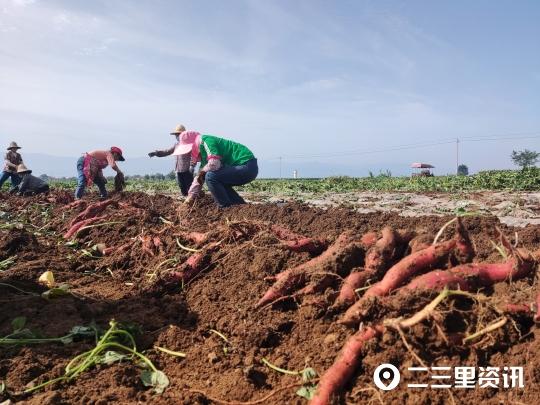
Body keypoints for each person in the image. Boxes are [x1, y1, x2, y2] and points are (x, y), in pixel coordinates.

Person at [174, 132, 258, 208]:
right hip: (243, 167)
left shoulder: (206, 141)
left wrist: (202, 173)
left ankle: (225, 208)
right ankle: (240, 206)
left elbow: (214, 163)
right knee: (217, 179)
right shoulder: (204, 157)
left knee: (211, 176)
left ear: (193, 145)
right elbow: (199, 178)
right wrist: (190, 197)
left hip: (246, 165)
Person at [147, 124, 195, 196]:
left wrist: (192, 166)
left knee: (190, 188)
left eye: (178, 135)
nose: (177, 136)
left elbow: (193, 156)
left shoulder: (189, 145)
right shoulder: (176, 145)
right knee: (182, 188)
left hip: (187, 170)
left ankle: (193, 201)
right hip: (178, 170)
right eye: (176, 135)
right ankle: (186, 203)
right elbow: (167, 151)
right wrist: (156, 153)